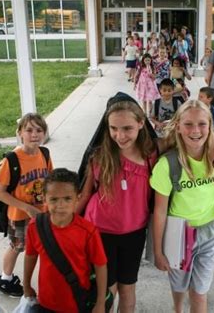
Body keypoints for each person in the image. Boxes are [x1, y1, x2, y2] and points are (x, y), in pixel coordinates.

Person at [150, 100, 214, 313]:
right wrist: (158, 250)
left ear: (211, 127)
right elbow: (160, 211)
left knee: (200, 291)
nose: (195, 131)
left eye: (202, 124)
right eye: (188, 124)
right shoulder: (167, 164)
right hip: (178, 234)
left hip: (210, 231)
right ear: (178, 126)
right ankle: (178, 308)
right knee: (179, 284)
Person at [76, 99, 158, 313]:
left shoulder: (152, 156)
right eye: (114, 128)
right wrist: (62, 226)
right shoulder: (99, 156)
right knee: (106, 290)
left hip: (134, 233)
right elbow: (85, 195)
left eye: (127, 128)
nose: (120, 135)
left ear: (141, 123)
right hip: (99, 232)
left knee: (128, 288)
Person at [24, 168, 108, 312]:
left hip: (77, 302)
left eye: (67, 198)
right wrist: (26, 284)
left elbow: (100, 266)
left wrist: (100, 303)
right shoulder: (35, 226)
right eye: (54, 199)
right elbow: (30, 255)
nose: (60, 205)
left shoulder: (88, 231)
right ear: (44, 199)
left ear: (78, 198)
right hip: (46, 301)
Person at [0, 113, 53, 297]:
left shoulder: (44, 154)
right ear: (20, 133)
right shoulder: (11, 160)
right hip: (20, 216)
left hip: (42, 212)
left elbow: (51, 179)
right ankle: (5, 279)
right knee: (17, 246)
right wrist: (26, 207)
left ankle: (49, 280)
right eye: (29, 130)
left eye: (39, 130)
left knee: (43, 245)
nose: (34, 134)